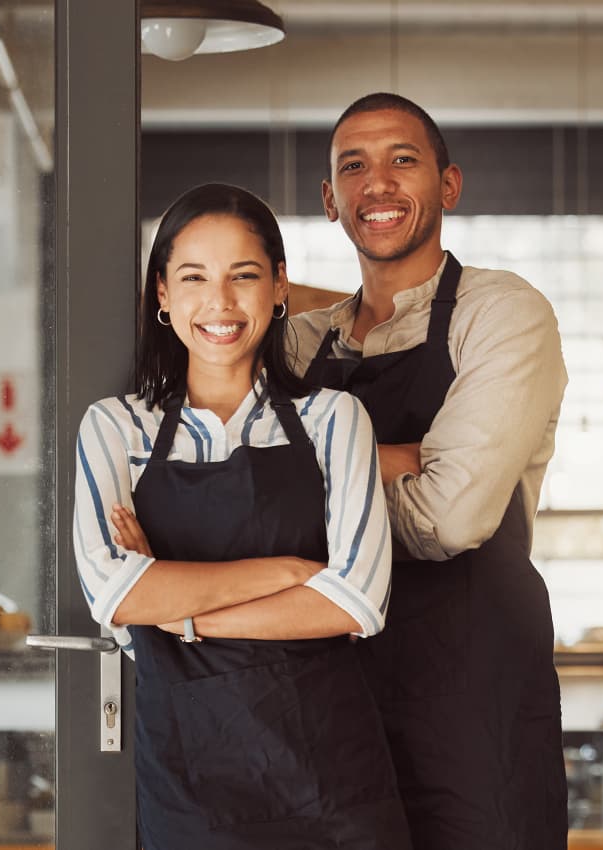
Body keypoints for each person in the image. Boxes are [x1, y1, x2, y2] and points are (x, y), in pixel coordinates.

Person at [73, 183, 412, 850]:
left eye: (244, 276)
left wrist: (181, 615)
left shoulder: (332, 420)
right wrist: (287, 573)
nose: (220, 302)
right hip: (191, 789)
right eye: (194, 276)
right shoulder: (116, 428)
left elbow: (357, 602)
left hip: (332, 785)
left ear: (279, 287)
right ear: (163, 294)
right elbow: (113, 592)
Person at [288, 93, 570, 850]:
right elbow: (234, 487)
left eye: (401, 160)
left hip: (475, 698)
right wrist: (398, 460)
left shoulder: (502, 313)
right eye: (354, 166)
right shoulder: (296, 344)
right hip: (333, 688)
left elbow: (451, 519)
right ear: (329, 200)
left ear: (448, 186)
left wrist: (311, 475)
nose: (377, 184)